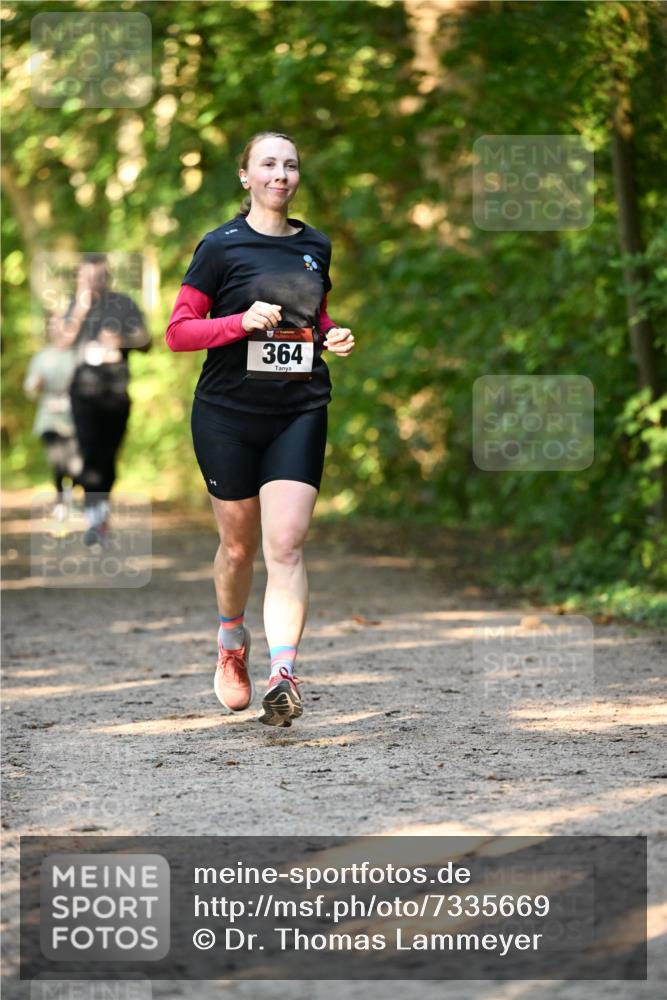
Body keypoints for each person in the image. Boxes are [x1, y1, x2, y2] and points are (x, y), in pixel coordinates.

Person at [166, 130, 355, 727]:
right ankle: (230, 643)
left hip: (299, 409)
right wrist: (238, 323)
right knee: (240, 546)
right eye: (268, 164)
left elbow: (312, 313)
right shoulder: (220, 247)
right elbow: (178, 331)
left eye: (291, 164)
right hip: (227, 414)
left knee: (287, 543)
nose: (282, 174)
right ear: (245, 177)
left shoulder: (315, 245)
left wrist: (331, 333)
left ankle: (284, 674)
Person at [56, 254, 150, 546]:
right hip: (82, 393)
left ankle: (101, 513)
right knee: (88, 452)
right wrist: (80, 311)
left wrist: (120, 342)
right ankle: (95, 520)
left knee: (108, 455)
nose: (93, 283)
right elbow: (60, 344)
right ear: (78, 279)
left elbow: (146, 340)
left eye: (98, 277)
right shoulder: (72, 306)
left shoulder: (124, 304)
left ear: (107, 277)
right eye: (86, 277)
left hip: (116, 392)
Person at [23, 318, 82, 520]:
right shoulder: (42, 356)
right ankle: (60, 501)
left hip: (73, 416)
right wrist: (36, 384)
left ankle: (70, 496)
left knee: (74, 462)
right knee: (57, 460)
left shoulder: (76, 355)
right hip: (48, 417)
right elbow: (30, 386)